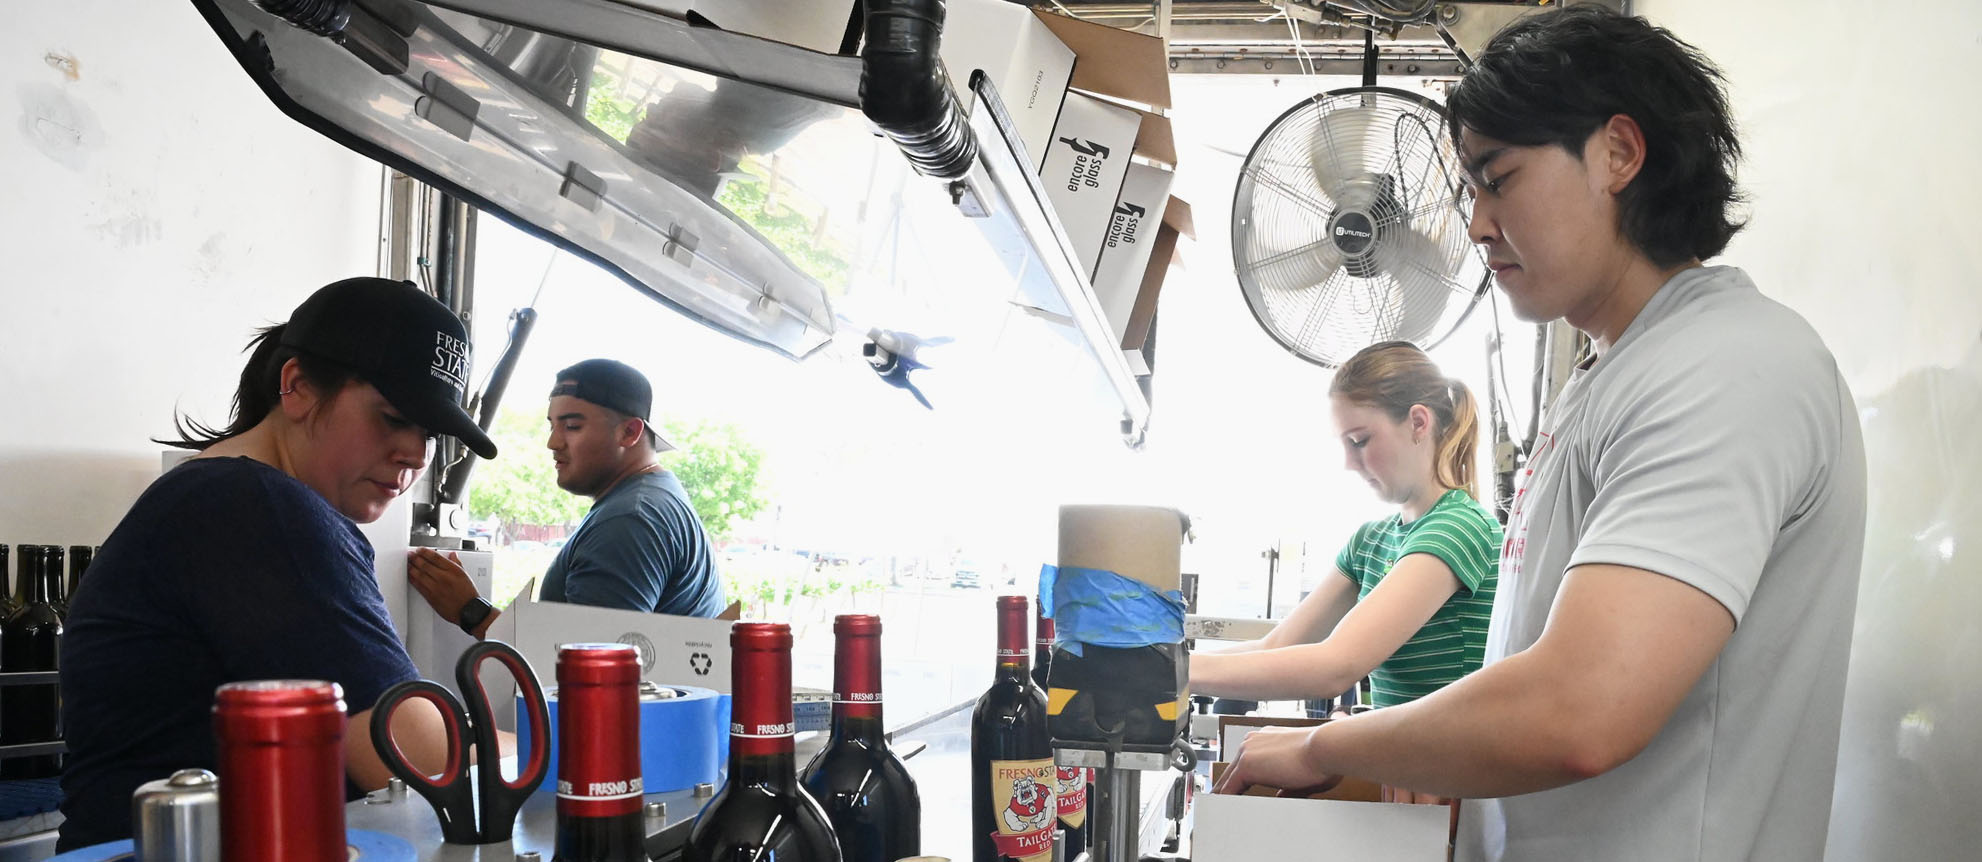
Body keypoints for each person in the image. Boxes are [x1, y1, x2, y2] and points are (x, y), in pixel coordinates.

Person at [1214, 7, 1868, 861]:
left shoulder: (1728, 366)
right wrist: (1429, 750)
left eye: (1500, 178)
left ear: (1619, 154)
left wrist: (1322, 745)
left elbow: (1581, 708)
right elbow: (1536, 669)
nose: (1479, 223)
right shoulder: (1614, 375)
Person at [58, 278, 487, 849]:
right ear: (297, 388)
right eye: (392, 416)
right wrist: (556, 739)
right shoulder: (257, 509)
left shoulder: (222, 494)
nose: (414, 452)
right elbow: (427, 769)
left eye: (430, 431)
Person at [1191, 342, 1500, 757]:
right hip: (1406, 770)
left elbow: (1337, 666)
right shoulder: (1371, 541)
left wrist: (1172, 674)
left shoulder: (1458, 527)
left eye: (1359, 440)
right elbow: (1279, 646)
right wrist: (1168, 663)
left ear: (1418, 423)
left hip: (1455, 777)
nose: (1349, 464)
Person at [409, 359, 724, 638]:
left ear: (629, 432)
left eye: (572, 426)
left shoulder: (630, 520)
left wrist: (471, 612)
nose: (552, 442)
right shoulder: (653, 497)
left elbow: (592, 672)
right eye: (552, 425)